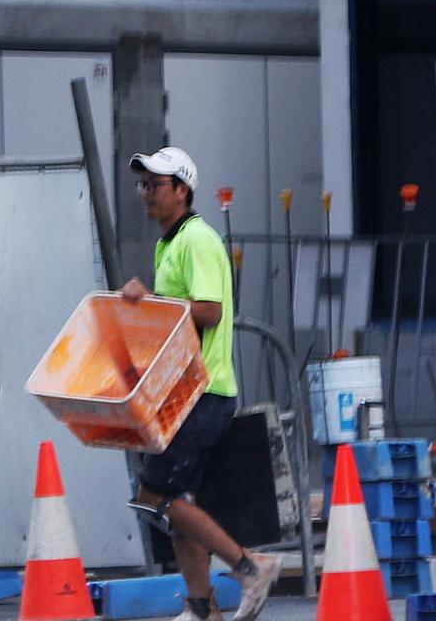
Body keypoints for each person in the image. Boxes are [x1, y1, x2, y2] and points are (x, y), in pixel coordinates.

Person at [121, 146, 281, 621]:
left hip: (203, 394)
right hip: (181, 393)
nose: (146, 193)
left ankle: (252, 567)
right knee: (176, 502)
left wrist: (149, 302)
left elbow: (209, 310)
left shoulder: (198, 241)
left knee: (155, 497)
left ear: (182, 191)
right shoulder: (169, 243)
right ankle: (201, 607)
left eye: (155, 185)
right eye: (143, 185)